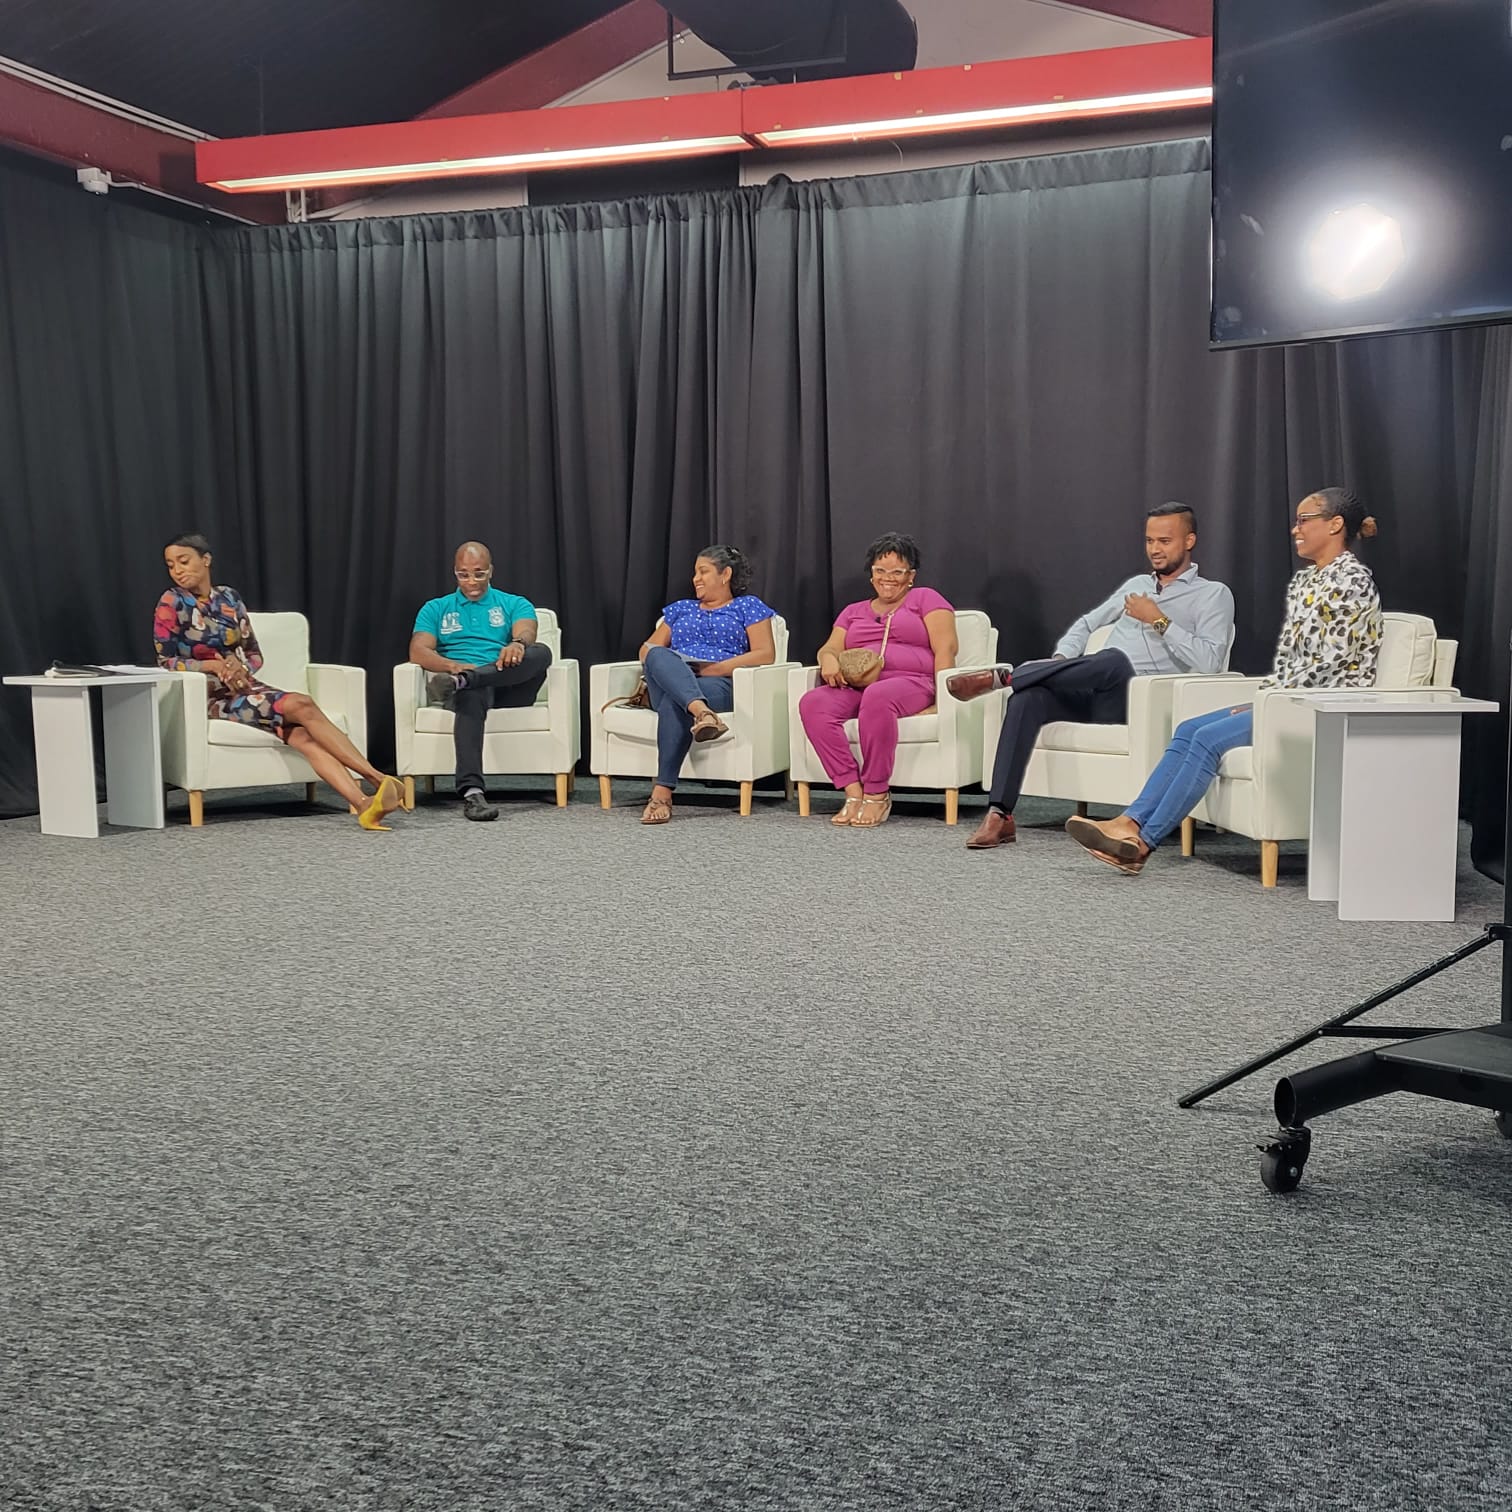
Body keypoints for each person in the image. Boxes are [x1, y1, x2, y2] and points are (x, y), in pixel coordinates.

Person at [1066, 488, 1382, 876]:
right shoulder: (1305, 580)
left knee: (1207, 738)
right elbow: (1292, 659)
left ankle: (1141, 844)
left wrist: (1271, 702)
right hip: (1287, 699)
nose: (1295, 529)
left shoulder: (1352, 581)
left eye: (1304, 520)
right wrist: (1265, 696)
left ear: (1335, 525)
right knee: (1188, 728)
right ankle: (1128, 823)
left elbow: (1332, 663)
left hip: (1322, 706)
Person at [949, 504, 1235, 850]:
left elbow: (1210, 662)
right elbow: (1087, 624)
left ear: (1189, 541)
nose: (1155, 550)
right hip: (1094, 689)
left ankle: (1010, 677)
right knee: (1028, 698)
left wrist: (1158, 619)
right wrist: (1060, 662)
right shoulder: (1137, 585)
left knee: (1113, 660)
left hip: (1140, 701)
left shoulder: (1213, 594)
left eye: (1164, 541)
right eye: (1149, 541)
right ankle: (1000, 814)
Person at [154, 534, 404, 830]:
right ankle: (377, 778)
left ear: (206, 560)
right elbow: (166, 661)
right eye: (171, 565)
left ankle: (364, 805)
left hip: (245, 689)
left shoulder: (229, 598)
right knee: (302, 704)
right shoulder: (171, 602)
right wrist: (212, 665)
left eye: (184, 561)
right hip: (210, 698)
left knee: (303, 736)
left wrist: (241, 667)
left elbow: (254, 654)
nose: (177, 570)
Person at [798, 532, 958, 828]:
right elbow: (830, 647)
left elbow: (946, 649)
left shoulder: (926, 599)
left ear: (910, 576)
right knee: (813, 702)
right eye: (880, 570)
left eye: (897, 572)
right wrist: (828, 658)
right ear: (871, 574)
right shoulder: (853, 611)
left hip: (914, 682)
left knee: (878, 695)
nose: (888, 578)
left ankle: (876, 792)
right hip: (859, 683)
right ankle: (852, 790)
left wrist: (943, 700)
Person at [408, 541, 553, 822]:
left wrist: (517, 644)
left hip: (508, 684)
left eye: (479, 573)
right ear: (455, 572)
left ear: (491, 571)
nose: (472, 581)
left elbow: (527, 631)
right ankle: (472, 794)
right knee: (471, 693)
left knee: (541, 653)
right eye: (463, 575)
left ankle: (467, 680)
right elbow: (418, 651)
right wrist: (453, 666)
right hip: (466, 690)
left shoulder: (513, 603)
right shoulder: (436, 608)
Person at [635, 545, 777, 825]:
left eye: (703, 572)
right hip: (671, 678)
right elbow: (646, 650)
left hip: (718, 684)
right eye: (695, 573)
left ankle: (662, 794)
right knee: (656, 653)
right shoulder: (681, 609)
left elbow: (765, 653)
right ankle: (702, 712)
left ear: (725, 574)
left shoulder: (747, 607)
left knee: (674, 702)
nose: (696, 579)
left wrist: (716, 668)